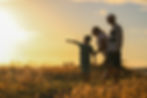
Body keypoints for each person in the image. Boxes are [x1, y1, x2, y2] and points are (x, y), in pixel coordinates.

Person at [106, 14, 124, 82]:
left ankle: (116, 81)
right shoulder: (112, 28)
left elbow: (119, 38)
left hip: (115, 50)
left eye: (108, 19)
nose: (107, 21)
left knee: (116, 67)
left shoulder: (117, 27)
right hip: (111, 50)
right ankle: (114, 80)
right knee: (111, 66)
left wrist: (117, 48)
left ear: (112, 19)